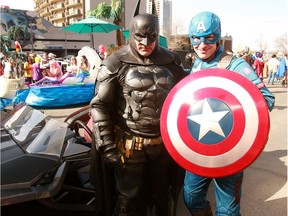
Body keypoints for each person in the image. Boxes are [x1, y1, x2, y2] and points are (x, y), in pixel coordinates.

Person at [90, 13, 187, 216]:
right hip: (130, 144)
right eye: (140, 36)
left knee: (163, 194)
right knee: (127, 198)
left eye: (151, 37)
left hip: (165, 144)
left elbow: (187, 96)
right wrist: (107, 145)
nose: (145, 43)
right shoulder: (115, 63)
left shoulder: (172, 62)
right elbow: (100, 106)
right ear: (131, 34)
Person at [183, 11, 275, 216]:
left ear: (218, 37)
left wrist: (235, 108)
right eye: (196, 39)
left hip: (229, 149)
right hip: (199, 148)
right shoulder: (197, 64)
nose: (202, 45)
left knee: (227, 210)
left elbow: (266, 99)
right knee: (191, 197)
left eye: (209, 38)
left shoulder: (235, 65)